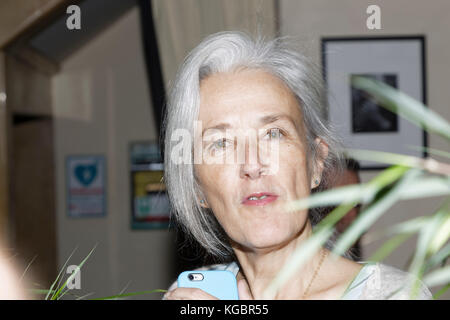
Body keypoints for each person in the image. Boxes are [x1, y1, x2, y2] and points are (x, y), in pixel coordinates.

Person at [162, 31, 432, 300]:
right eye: (220, 143)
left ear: (315, 163)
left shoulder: (393, 294)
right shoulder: (191, 296)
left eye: (273, 133)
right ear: (197, 189)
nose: (252, 164)